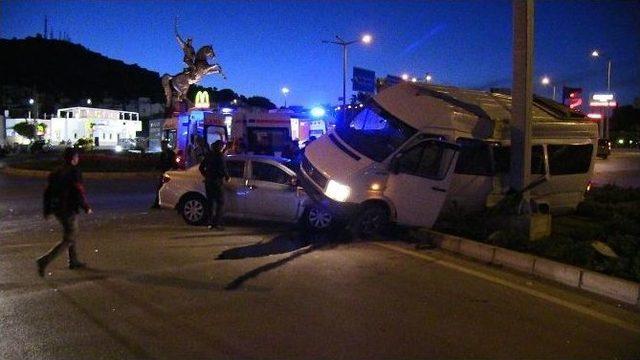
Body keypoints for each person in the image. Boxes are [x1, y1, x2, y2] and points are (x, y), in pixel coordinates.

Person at [37, 147, 92, 276]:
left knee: (70, 233)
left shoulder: (56, 172)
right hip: (68, 208)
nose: (78, 159)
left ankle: (73, 260)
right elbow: (78, 191)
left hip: (57, 209)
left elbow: (47, 192)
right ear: (73, 159)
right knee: (69, 238)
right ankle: (44, 261)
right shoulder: (74, 172)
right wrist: (86, 207)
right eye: (77, 157)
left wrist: (47, 210)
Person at [199, 140, 229, 230]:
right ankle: (217, 222)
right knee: (221, 202)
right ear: (220, 147)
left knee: (210, 202)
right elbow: (224, 169)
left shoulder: (208, 155)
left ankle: (210, 223)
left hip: (208, 182)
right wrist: (227, 177)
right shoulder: (220, 156)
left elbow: (201, 168)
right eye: (222, 146)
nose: (223, 148)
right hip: (217, 182)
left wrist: (206, 175)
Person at [151, 140, 176, 208]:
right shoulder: (164, 153)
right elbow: (160, 163)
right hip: (164, 173)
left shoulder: (170, 153)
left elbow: (173, 164)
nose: (162, 147)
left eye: (163, 145)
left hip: (168, 173)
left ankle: (160, 203)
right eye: (161, 145)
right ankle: (158, 203)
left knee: (163, 188)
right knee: (160, 188)